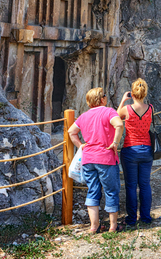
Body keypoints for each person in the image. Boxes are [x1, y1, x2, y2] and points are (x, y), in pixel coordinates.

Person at [68, 87, 124, 233]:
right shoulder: (108, 111)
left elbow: (71, 132)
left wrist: (81, 145)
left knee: (93, 191)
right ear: (102, 99)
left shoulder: (84, 116)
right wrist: (115, 143)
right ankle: (113, 226)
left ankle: (94, 226)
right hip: (106, 158)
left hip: (88, 159)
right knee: (111, 191)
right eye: (104, 96)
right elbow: (119, 124)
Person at [117, 78, 154, 226]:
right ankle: (145, 217)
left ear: (132, 93)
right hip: (147, 149)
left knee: (131, 186)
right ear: (145, 93)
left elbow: (115, 115)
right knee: (145, 185)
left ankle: (131, 219)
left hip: (130, 149)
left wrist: (123, 100)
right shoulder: (150, 108)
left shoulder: (127, 109)